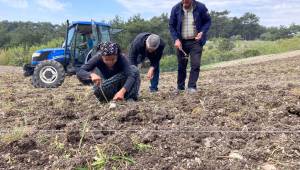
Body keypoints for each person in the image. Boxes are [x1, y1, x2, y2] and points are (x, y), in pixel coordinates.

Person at [169, 0, 211, 93]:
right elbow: (171, 26)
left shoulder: (201, 7)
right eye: (183, 1)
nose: (185, 3)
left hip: (196, 41)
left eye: (187, 2)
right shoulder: (175, 9)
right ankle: (180, 87)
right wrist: (176, 39)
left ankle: (192, 87)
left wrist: (202, 32)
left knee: (195, 64)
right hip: (181, 42)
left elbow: (208, 21)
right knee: (181, 65)